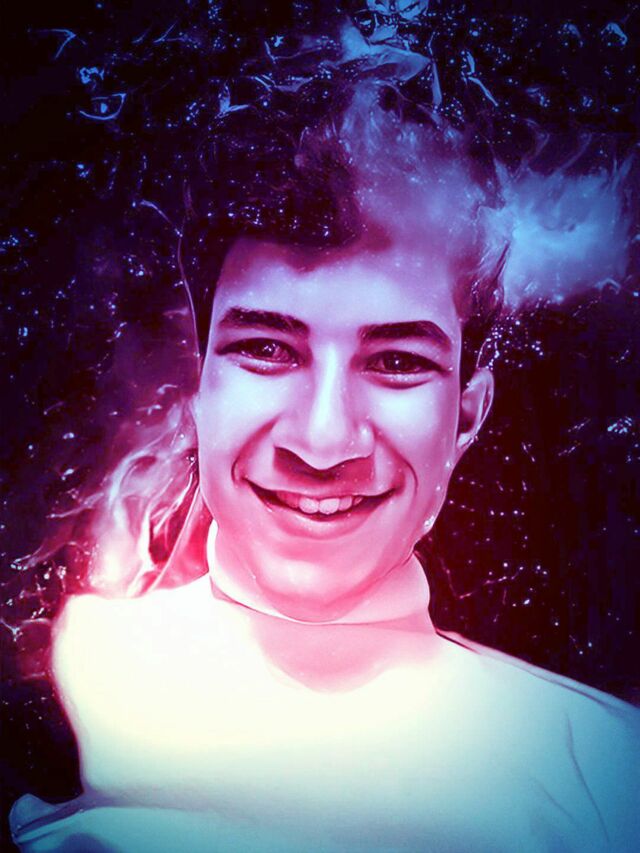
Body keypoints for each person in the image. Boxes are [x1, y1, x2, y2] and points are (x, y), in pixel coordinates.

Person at [10, 81, 640, 852]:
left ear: (467, 414)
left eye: (398, 361)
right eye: (266, 349)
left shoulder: (604, 774)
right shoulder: (60, 688)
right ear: (195, 386)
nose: (323, 441)